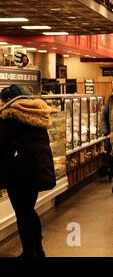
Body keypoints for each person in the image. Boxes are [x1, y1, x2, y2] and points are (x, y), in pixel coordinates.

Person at [0, 85, 56, 258]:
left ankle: (29, 252)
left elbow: (2, 143)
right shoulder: (35, 113)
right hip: (36, 170)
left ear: (8, 100)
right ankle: (37, 249)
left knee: (23, 212)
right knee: (29, 210)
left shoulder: (10, 116)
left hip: (19, 172)